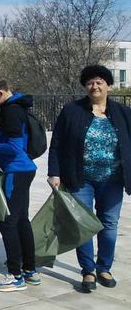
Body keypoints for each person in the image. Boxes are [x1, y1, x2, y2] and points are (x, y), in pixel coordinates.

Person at [47, 64, 131, 292]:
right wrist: (54, 172)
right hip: (79, 178)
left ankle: (104, 267)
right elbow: (57, 144)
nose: (94, 86)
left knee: (109, 224)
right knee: (82, 225)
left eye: (99, 82)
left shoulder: (124, 113)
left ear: (109, 86)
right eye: (90, 83)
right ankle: (88, 271)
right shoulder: (72, 111)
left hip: (113, 179)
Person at [0, 74, 39, 291]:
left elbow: (14, 147)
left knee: (7, 221)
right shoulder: (18, 106)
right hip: (25, 169)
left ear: (1, 93)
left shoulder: (11, 111)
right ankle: (30, 270)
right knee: (21, 220)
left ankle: (15, 275)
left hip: (16, 170)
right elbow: (14, 139)